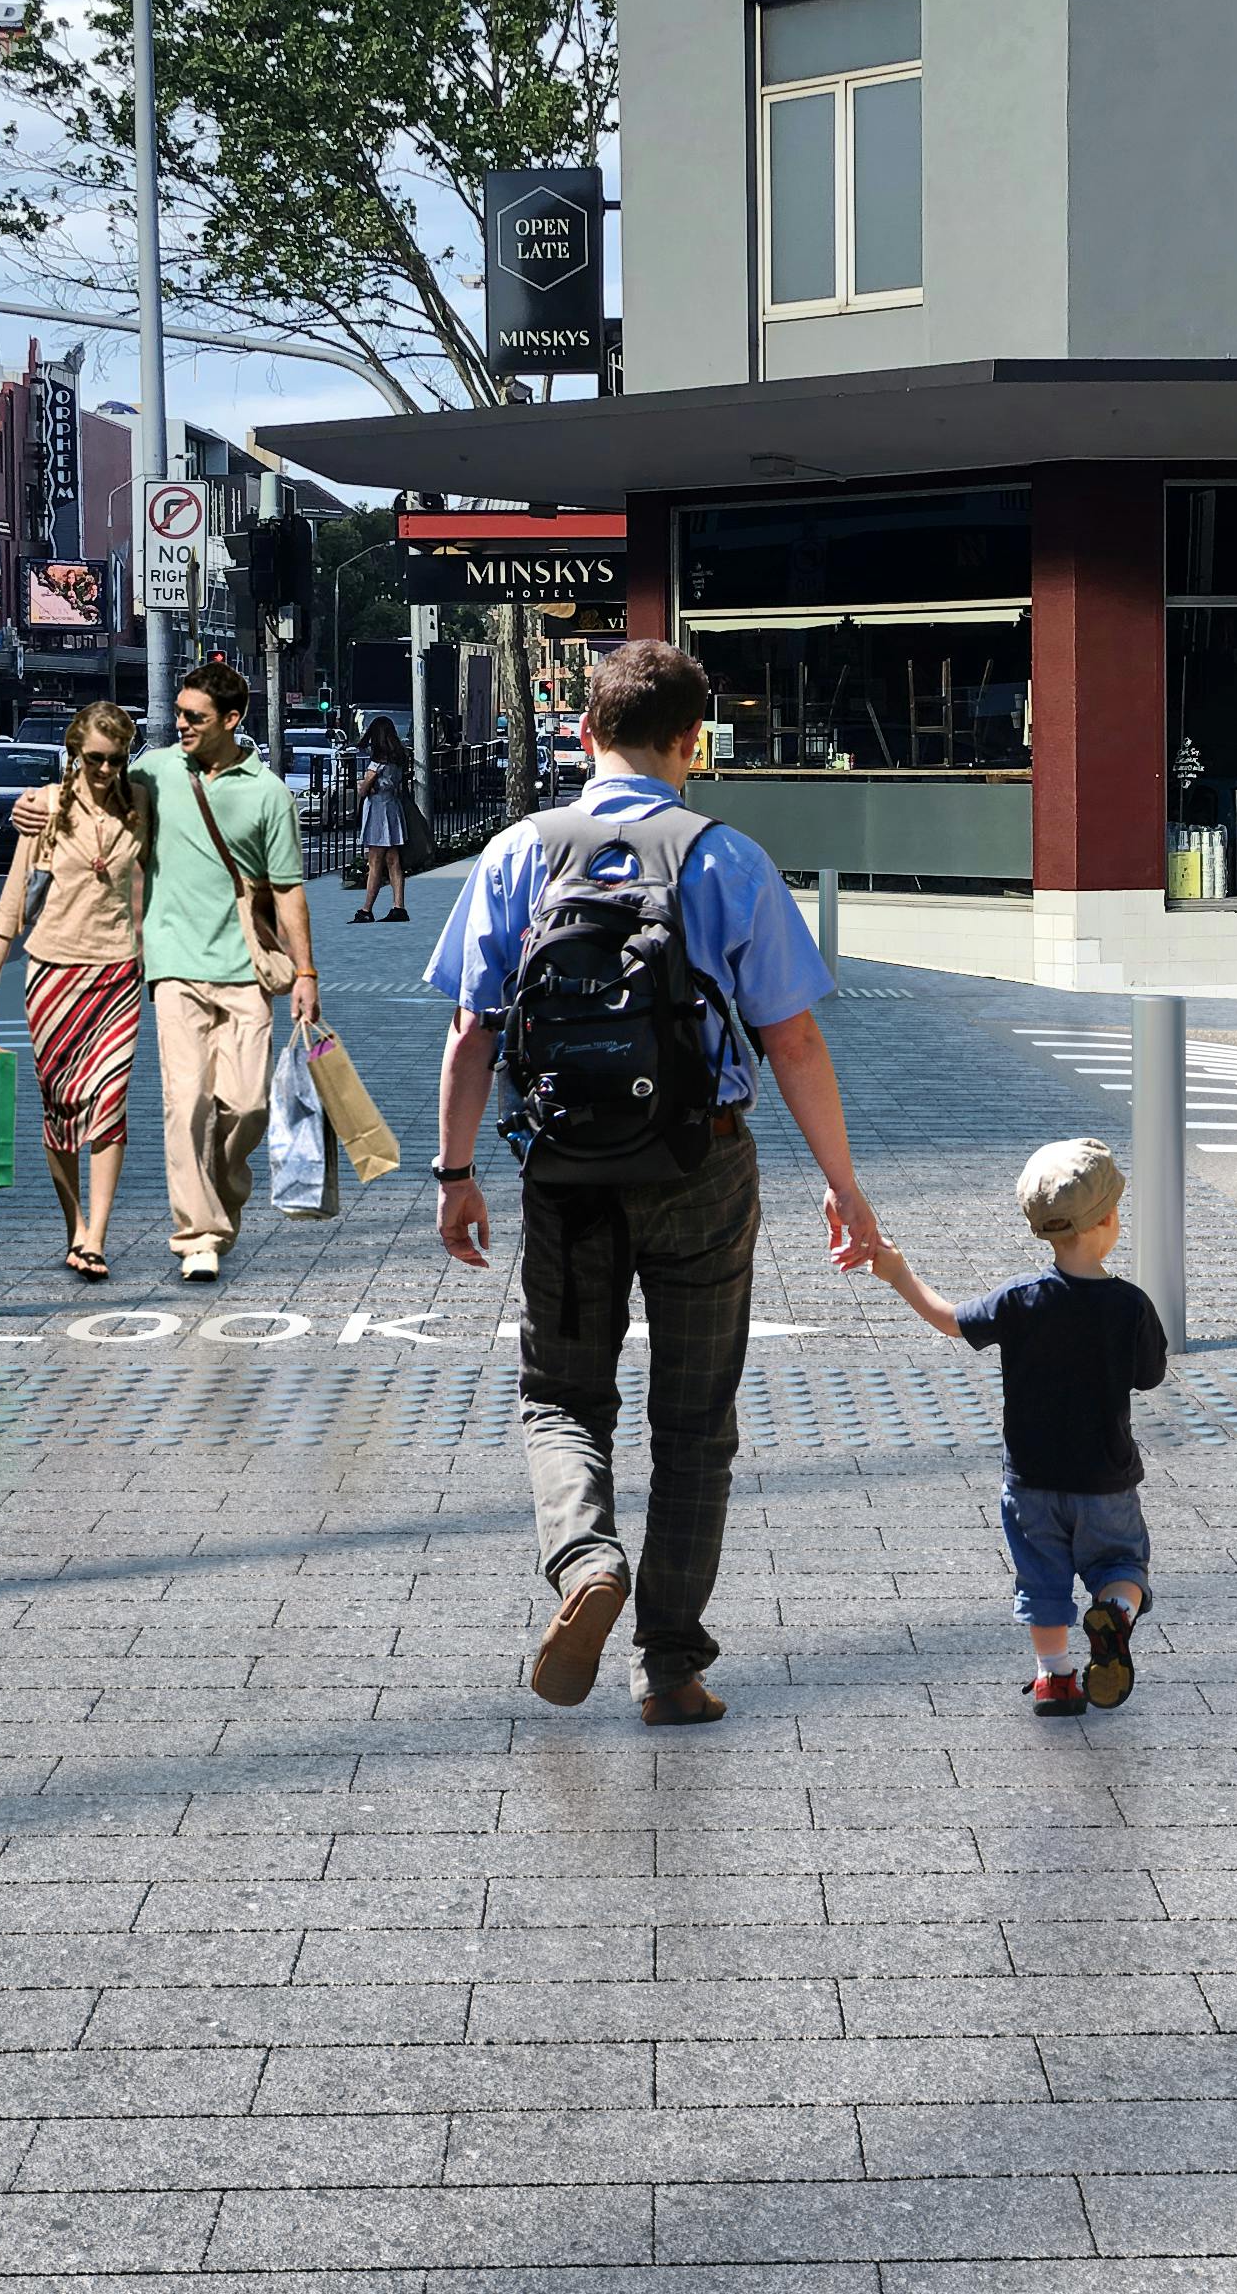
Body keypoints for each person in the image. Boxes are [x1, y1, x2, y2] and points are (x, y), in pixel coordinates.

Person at [429, 639, 878, 1726]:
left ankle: (585, 1563)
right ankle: (671, 1666)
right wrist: (843, 1186)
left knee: (561, 1396)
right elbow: (797, 1040)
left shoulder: (521, 851)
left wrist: (455, 1174)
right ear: (694, 744)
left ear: (586, 733)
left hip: (567, 1170)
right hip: (702, 1160)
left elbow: (470, 1031)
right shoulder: (727, 859)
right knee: (694, 1423)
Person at [866, 1138, 1167, 1716]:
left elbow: (951, 1321)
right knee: (1121, 1565)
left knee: (1042, 1579)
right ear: (1108, 1220)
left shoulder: (1019, 1298)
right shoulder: (1131, 1306)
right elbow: (1149, 1377)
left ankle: (1054, 1679)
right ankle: (1116, 1616)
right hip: (1105, 1480)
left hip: (1030, 1482)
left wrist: (898, 1272)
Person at [0, 700, 152, 1283]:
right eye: (95, 758)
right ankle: (74, 1224)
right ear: (75, 753)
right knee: (63, 1112)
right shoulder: (43, 807)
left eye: (116, 760)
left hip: (119, 974)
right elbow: (17, 894)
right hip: (52, 976)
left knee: (110, 1103)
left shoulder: (141, 806)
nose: (105, 770)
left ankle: (96, 1235)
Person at [139, 659, 317, 1285]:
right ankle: (198, 1234)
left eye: (195, 717)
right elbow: (96, 798)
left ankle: (224, 1191)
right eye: (180, 714)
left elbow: (290, 891)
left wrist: (306, 974)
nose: (180, 725)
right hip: (173, 966)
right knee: (185, 1102)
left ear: (231, 720)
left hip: (247, 971)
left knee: (245, 1107)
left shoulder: (266, 793)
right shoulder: (158, 770)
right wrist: (41, 803)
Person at [354, 718, 415, 923]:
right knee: (394, 861)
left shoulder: (377, 762)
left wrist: (364, 785)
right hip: (393, 807)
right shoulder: (398, 759)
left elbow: (363, 790)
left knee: (375, 861)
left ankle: (366, 910)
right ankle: (399, 906)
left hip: (378, 811)